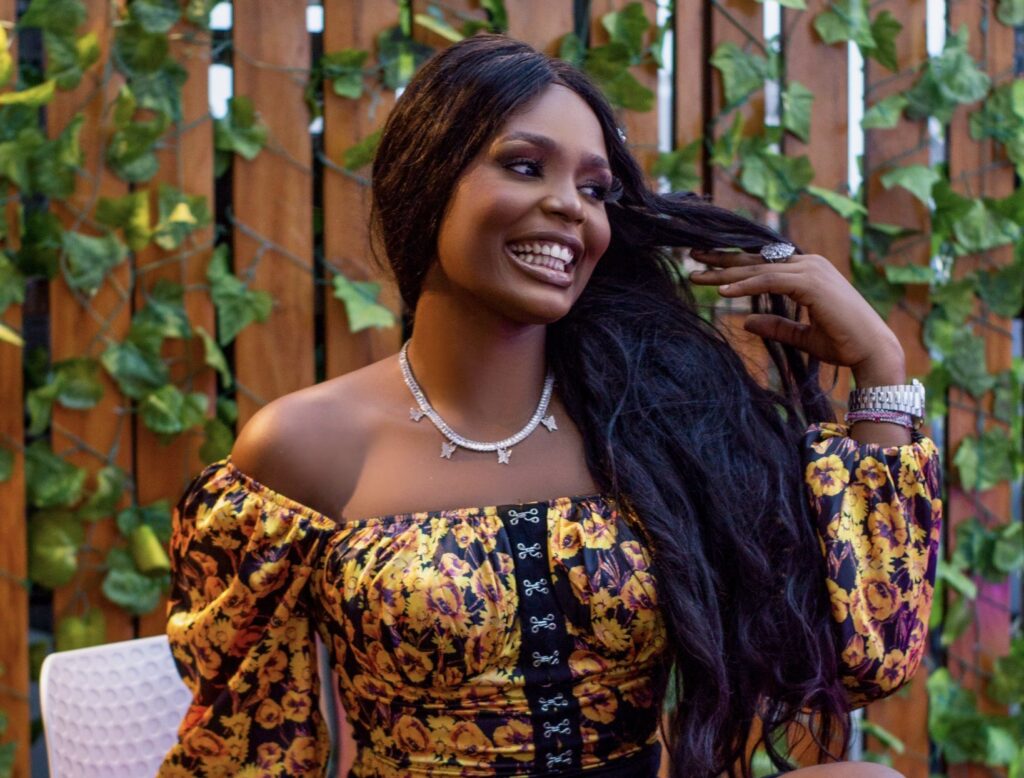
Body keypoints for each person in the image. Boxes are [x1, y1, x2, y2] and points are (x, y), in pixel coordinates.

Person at [159, 33, 940, 778]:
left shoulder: (648, 425)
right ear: (428, 179)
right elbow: (248, 746)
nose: (570, 206)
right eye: (526, 166)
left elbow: (862, 655)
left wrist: (880, 367)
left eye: (594, 189)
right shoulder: (301, 447)